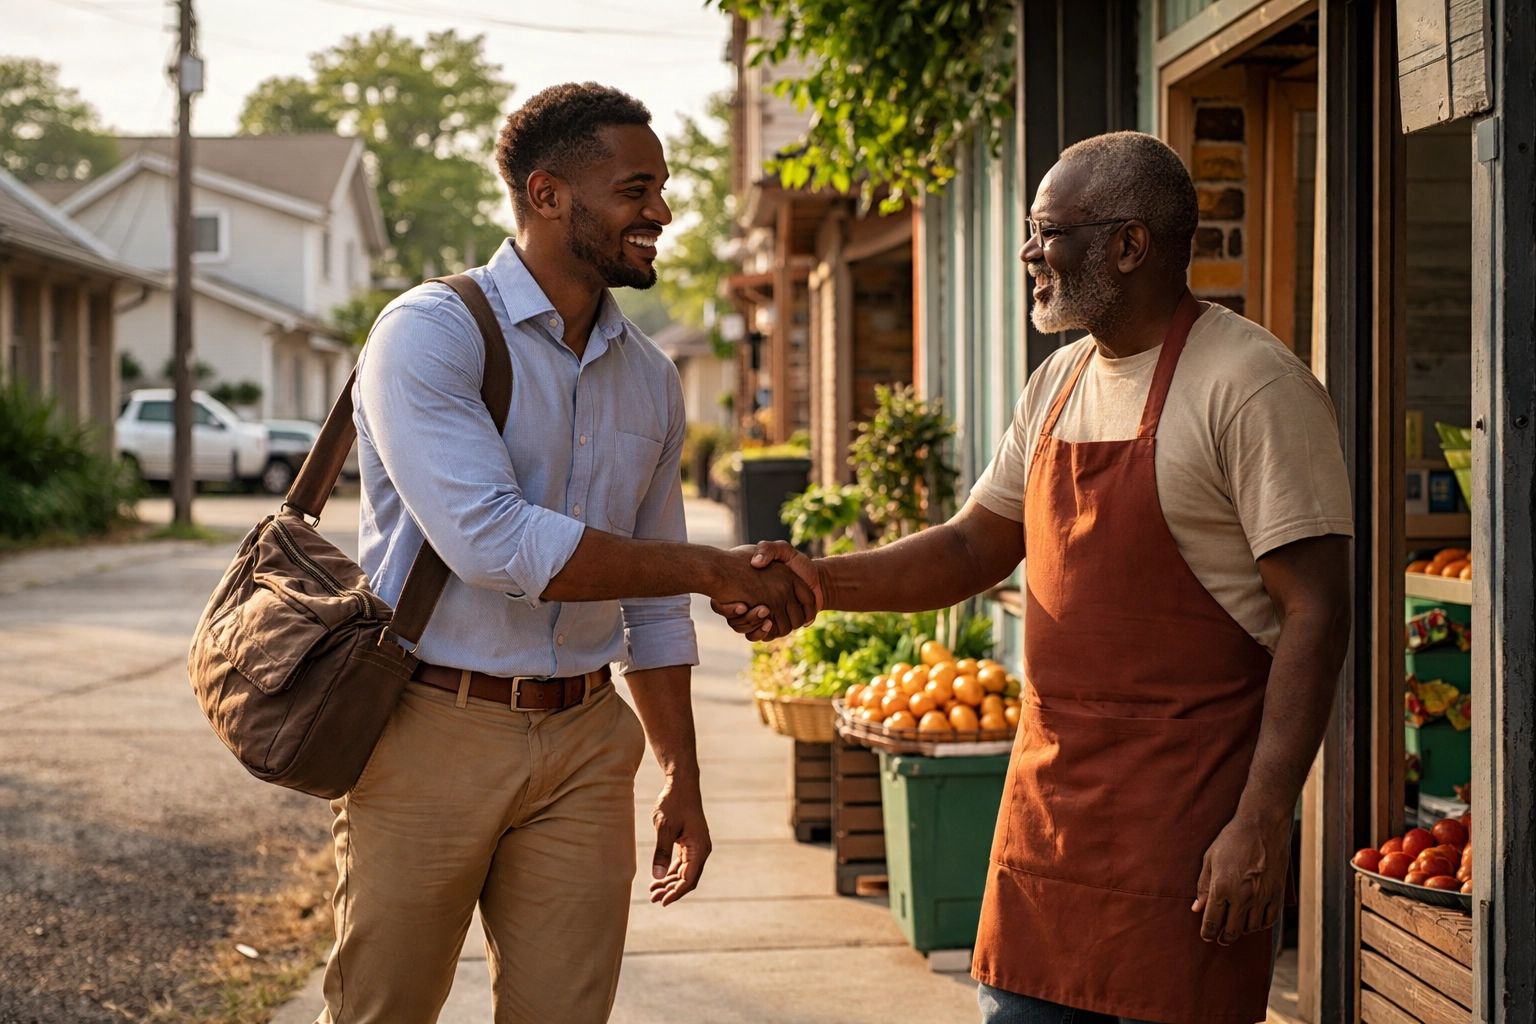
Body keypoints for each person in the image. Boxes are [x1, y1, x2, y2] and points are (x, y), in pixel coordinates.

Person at [723, 131, 1353, 1024]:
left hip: (1189, 823)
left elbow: (1318, 614)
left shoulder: (1251, 386)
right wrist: (813, 583)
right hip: (1049, 814)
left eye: (1047, 230)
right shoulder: (1057, 380)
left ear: (1128, 246)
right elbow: (971, 547)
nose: (1027, 252)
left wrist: (1262, 820)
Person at [322, 82, 816, 1023]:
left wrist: (682, 775)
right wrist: (714, 567)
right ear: (548, 195)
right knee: (380, 1012)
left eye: (662, 189)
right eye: (637, 190)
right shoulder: (429, 333)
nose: (662, 213)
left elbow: (655, 605)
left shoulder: (651, 376)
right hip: (431, 727)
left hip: (588, 742)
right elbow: (494, 543)